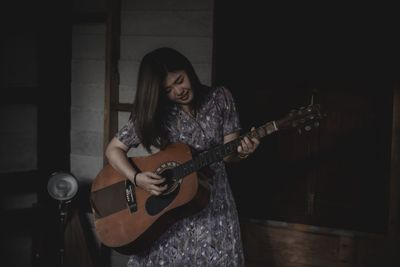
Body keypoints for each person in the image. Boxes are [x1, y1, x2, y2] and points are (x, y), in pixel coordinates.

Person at [105, 47, 260, 266]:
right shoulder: (157, 110)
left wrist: (243, 152)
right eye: (168, 89)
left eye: (180, 80)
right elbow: (113, 150)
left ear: (188, 70)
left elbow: (229, 156)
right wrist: (136, 178)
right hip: (172, 209)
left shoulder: (221, 97)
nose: (178, 91)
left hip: (216, 204)